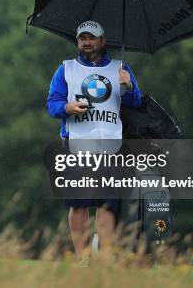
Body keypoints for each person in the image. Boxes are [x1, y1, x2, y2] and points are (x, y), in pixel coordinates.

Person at [46, 20, 142, 259]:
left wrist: (128, 86)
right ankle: (83, 258)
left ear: (103, 41)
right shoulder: (66, 69)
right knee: (78, 204)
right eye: (82, 38)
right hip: (76, 143)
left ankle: (106, 258)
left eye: (91, 38)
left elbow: (136, 103)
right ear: (78, 41)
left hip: (111, 145)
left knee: (106, 205)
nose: (86, 42)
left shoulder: (121, 67)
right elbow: (52, 104)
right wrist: (67, 107)